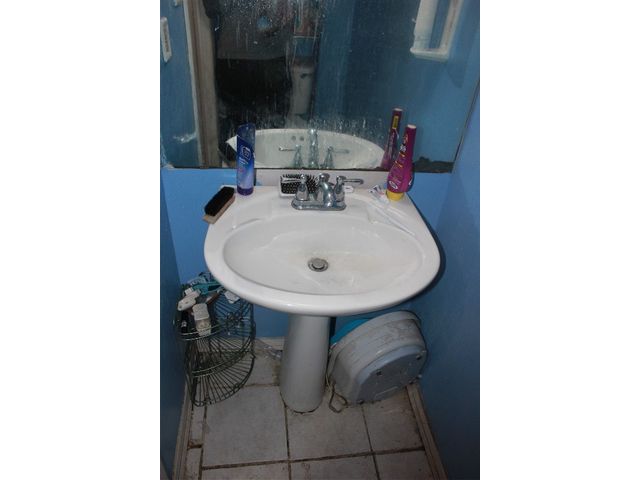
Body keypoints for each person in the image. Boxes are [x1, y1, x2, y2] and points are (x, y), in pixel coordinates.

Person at [202, 0, 295, 149]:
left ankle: (252, 158)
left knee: (251, 127)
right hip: (247, 58)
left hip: (243, 58)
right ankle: (255, 158)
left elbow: (212, 9)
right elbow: (212, 9)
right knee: (264, 126)